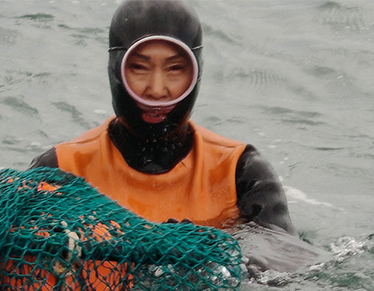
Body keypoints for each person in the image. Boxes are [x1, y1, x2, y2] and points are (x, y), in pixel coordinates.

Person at [30, 0, 310, 276]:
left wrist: (213, 255)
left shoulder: (240, 170)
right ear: (115, 68)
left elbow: (283, 267)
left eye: (175, 69)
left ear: (195, 72)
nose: (157, 89)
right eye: (139, 68)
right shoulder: (61, 168)